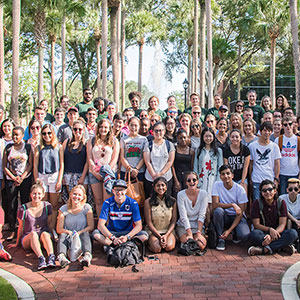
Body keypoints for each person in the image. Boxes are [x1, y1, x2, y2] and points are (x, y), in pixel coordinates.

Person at [8, 181, 55, 270]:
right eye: (34, 194)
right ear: (30, 195)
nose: (36, 196)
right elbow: (21, 227)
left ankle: (51, 257)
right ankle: (41, 259)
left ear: (43, 195)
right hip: (28, 237)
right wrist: (16, 243)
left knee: (45, 234)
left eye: (39, 194)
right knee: (33, 234)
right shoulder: (23, 208)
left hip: (42, 236)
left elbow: (49, 224)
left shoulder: (47, 206)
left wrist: (53, 237)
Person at [248, 179, 298, 256]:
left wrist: (272, 235)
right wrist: (269, 230)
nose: (267, 192)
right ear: (261, 193)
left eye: (270, 189)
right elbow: (256, 224)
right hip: (263, 232)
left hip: (278, 232)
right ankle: (280, 247)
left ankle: (264, 250)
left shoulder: (281, 202)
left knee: (293, 233)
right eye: (264, 190)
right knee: (254, 234)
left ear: (275, 191)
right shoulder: (257, 203)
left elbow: (282, 224)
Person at [93, 179, 148, 248]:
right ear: (113, 191)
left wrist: (127, 237)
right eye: (117, 190)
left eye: (122, 190)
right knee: (96, 234)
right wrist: (113, 238)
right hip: (112, 233)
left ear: (126, 191)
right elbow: (100, 225)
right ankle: (113, 244)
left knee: (144, 235)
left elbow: (139, 226)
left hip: (127, 232)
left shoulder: (133, 203)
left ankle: (121, 244)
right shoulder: (107, 203)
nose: (119, 192)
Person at [3, 126, 33, 240]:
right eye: (13, 134)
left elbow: (30, 164)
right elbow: (5, 166)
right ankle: (13, 229)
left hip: (25, 179)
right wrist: (13, 177)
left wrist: (22, 177)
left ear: (22, 135)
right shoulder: (8, 148)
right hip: (12, 180)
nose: (15, 137)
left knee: (25, 203)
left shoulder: (28, 147)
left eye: (18, 135)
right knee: (12, 204)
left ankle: (25, 228)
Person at [212, 165, 250, 251]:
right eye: (223, 174)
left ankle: (234, 231)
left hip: (237, 217)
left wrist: (229, 230)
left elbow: (240, 214)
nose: (226, 176)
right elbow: (215, 205)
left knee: (244, 235)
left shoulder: (240, 189)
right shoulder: (216, 185)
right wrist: (232, 204)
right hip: (224, 216)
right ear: (220, 176)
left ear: (232, 175)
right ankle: (221, 238)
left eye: (228, 173)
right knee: (218, 211)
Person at [33, 124, 64, 230]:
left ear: (53, 134)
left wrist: (59, 180)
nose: (47, 135)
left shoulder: (58, 146)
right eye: (44, 133)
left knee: (54, 205)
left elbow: (61, 164)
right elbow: (35, 165)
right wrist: (37, 179)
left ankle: (52, 228)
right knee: (43, 205)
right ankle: (43, 227)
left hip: (54, 177)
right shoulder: (38, 147)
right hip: (42, 176)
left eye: (49, 133)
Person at [87, 119, 120, 216]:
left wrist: (106, 172)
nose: (103, 129)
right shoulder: (91, 140)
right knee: (98, 200)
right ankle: (100, 223)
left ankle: (107, 223)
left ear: (109, 129)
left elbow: (114, 159)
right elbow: (89, 158)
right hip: (94, 173)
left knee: (107, 200)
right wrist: (95, 171)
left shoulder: (114, 141)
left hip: (108, 174)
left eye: (105, 127)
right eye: (101, 127)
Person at [56, 185, 94, 268]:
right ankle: (62, 257)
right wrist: (69, 232)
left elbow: (91, 226)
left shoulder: (87, 208)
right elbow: (59, 229)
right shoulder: (63, 209)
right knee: (62, 235)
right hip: (69, 237)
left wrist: (79, 232)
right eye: (74, 194)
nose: (76, 197)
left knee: (86, 234)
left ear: (83, 197)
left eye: (79, 195)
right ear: (70, 194)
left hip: (82, 236)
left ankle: (87, 256)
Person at [193, 127, 223, 219]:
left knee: (212, 202)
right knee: (203, 202)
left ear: (213, 137)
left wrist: (217, 182)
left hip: (213, 180)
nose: (208, 138)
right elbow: (195, 167)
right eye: (206, 136)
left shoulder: (218, 151)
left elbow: (220, 167)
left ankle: (212, 224)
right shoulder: (198, 151)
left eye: (210, 136)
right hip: (202, 179)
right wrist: (196, 181)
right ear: (202, 137)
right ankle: (204, 223)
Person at [249, 121, 281, 201]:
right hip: (256, 179)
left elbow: (277, 164)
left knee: (270, 203)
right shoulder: (252, 146)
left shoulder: (274, 146)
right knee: (257, 202)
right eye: (265, 130)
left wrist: (276, 179)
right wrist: (250, 178)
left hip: (270, 179)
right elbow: (250, 164)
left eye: (269, 130)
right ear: (260, 131)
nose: (267, 133)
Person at [176, 171, 208, 251]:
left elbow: (202, 215)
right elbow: (183, 216)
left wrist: (199, 232)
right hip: (183, 226)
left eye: (194, 180)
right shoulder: (180, 195)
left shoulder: (204, 194)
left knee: (201, 246)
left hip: (198, 226)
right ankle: (180, 236)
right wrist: (189, 233)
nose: (191, 182)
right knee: (188, 244)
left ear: (197, 181)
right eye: (189, 180)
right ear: (186, 183)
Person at [144, 177, 177, 253]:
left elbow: (173, 221)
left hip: (168, 231)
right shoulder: (148, 202)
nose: (161, 188)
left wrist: (166, 235)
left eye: (163, 185)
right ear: (154, 187)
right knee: (156, 248)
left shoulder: (173, 201)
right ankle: (149, 243)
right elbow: (149, 223)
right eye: (158, 185)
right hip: (153, 232)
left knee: (169, 247)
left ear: (166, 187)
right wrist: (159, 236)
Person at [143, 122, 175, 198]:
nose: (158, 133)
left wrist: (160, 174)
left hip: (166, 178)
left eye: (160, 130)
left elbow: (170, 161)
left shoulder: (169, 145)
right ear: (152, 132)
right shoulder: (148, 145)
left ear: (164, 131)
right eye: (156, 131)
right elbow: (147, 161)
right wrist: (154, 175)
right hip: (150, 178)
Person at [62, 120, 88, 202]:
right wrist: (62, 176)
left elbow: (87, 161)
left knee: (81, 200)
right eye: (75, 129)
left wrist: (82, 177)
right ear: (72, 130)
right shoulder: (67, 142)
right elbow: (62, 160)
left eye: (80, 129)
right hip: (68, 176)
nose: (77, 131)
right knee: (71, 201)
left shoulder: (86, 143)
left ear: (83, 130)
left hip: (81, 176)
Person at [275, 117, 300, 195]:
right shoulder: (278, 140)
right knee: (283, 196)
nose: (288, 126)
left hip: (295, 173)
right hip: (282, 174)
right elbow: (276, 159)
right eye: (285, 125)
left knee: (295, 196)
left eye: (290, 124)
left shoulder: (298, 140)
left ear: (293, 125)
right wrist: (276, 175)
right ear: (282, 126)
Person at [119, 117, 148, 182]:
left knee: (139, 191)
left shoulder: (144, 139)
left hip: (139, 171)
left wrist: (136, 169)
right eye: (131, 125)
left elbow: (144, 157)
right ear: (128, 126)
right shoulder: (123, 139)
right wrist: (130, 169)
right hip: (126, 171)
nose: (133, 128)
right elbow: (122, 156)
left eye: (136, 125)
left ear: (139, 126)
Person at [172, 129, 195, 195]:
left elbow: (192, 166)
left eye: (184, 137)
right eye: (180, 138)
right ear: (177, 139)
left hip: (187, 177)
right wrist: (176, 181)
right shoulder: (174, 149)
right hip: (176, 176)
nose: (183, 140)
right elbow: (172, 165)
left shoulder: (191, 151)